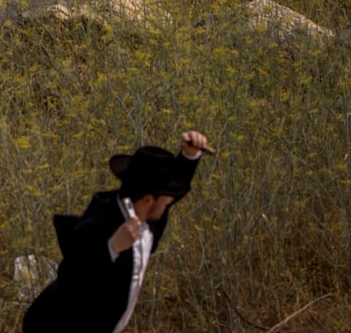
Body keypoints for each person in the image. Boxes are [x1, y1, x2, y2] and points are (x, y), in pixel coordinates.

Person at [22, 131, 211, 333]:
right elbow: (71, 274)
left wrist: (189, 156)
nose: (169, 204)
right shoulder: (97, 225)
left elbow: (172, 192)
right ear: (148, 200)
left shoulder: (148, 215)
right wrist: (111, 248)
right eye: (166, 201)